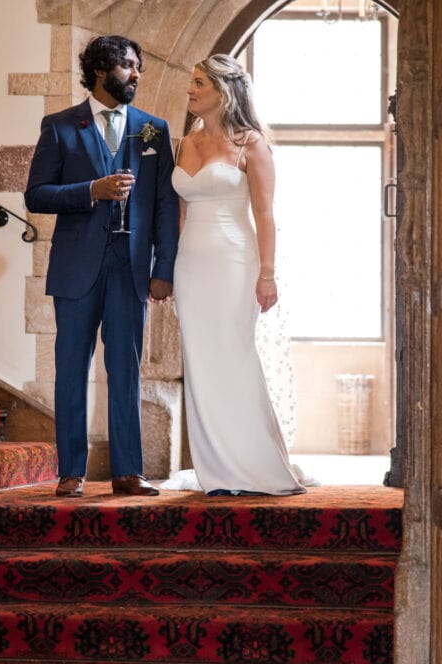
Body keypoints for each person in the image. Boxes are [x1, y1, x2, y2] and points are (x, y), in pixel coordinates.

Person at [25, 35, 180, 498]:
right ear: (101, 69)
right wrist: (90, 189)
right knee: (71, 368)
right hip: (76, 267)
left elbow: (165, 206)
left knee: (126, 370)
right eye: (129, 66)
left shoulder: (153, 129)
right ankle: (70, 471)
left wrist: (164, 267)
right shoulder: (59, 127)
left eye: (138, 68)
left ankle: (127, 471)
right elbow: (36, 194)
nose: (136, 75)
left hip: (131, 267)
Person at [169, 54, 318, 496]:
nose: (190, 90)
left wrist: (267, 274)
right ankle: (215, 467)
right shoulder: (183, 144)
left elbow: (265, 213)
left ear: (223, 91)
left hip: (234, 260)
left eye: (198, 83)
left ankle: (253, 462)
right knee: (199, 361)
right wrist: (169, 271)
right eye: (191, 82)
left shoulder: (250, 143)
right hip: (190, 264)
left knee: (233, 355)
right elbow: (178, 212)